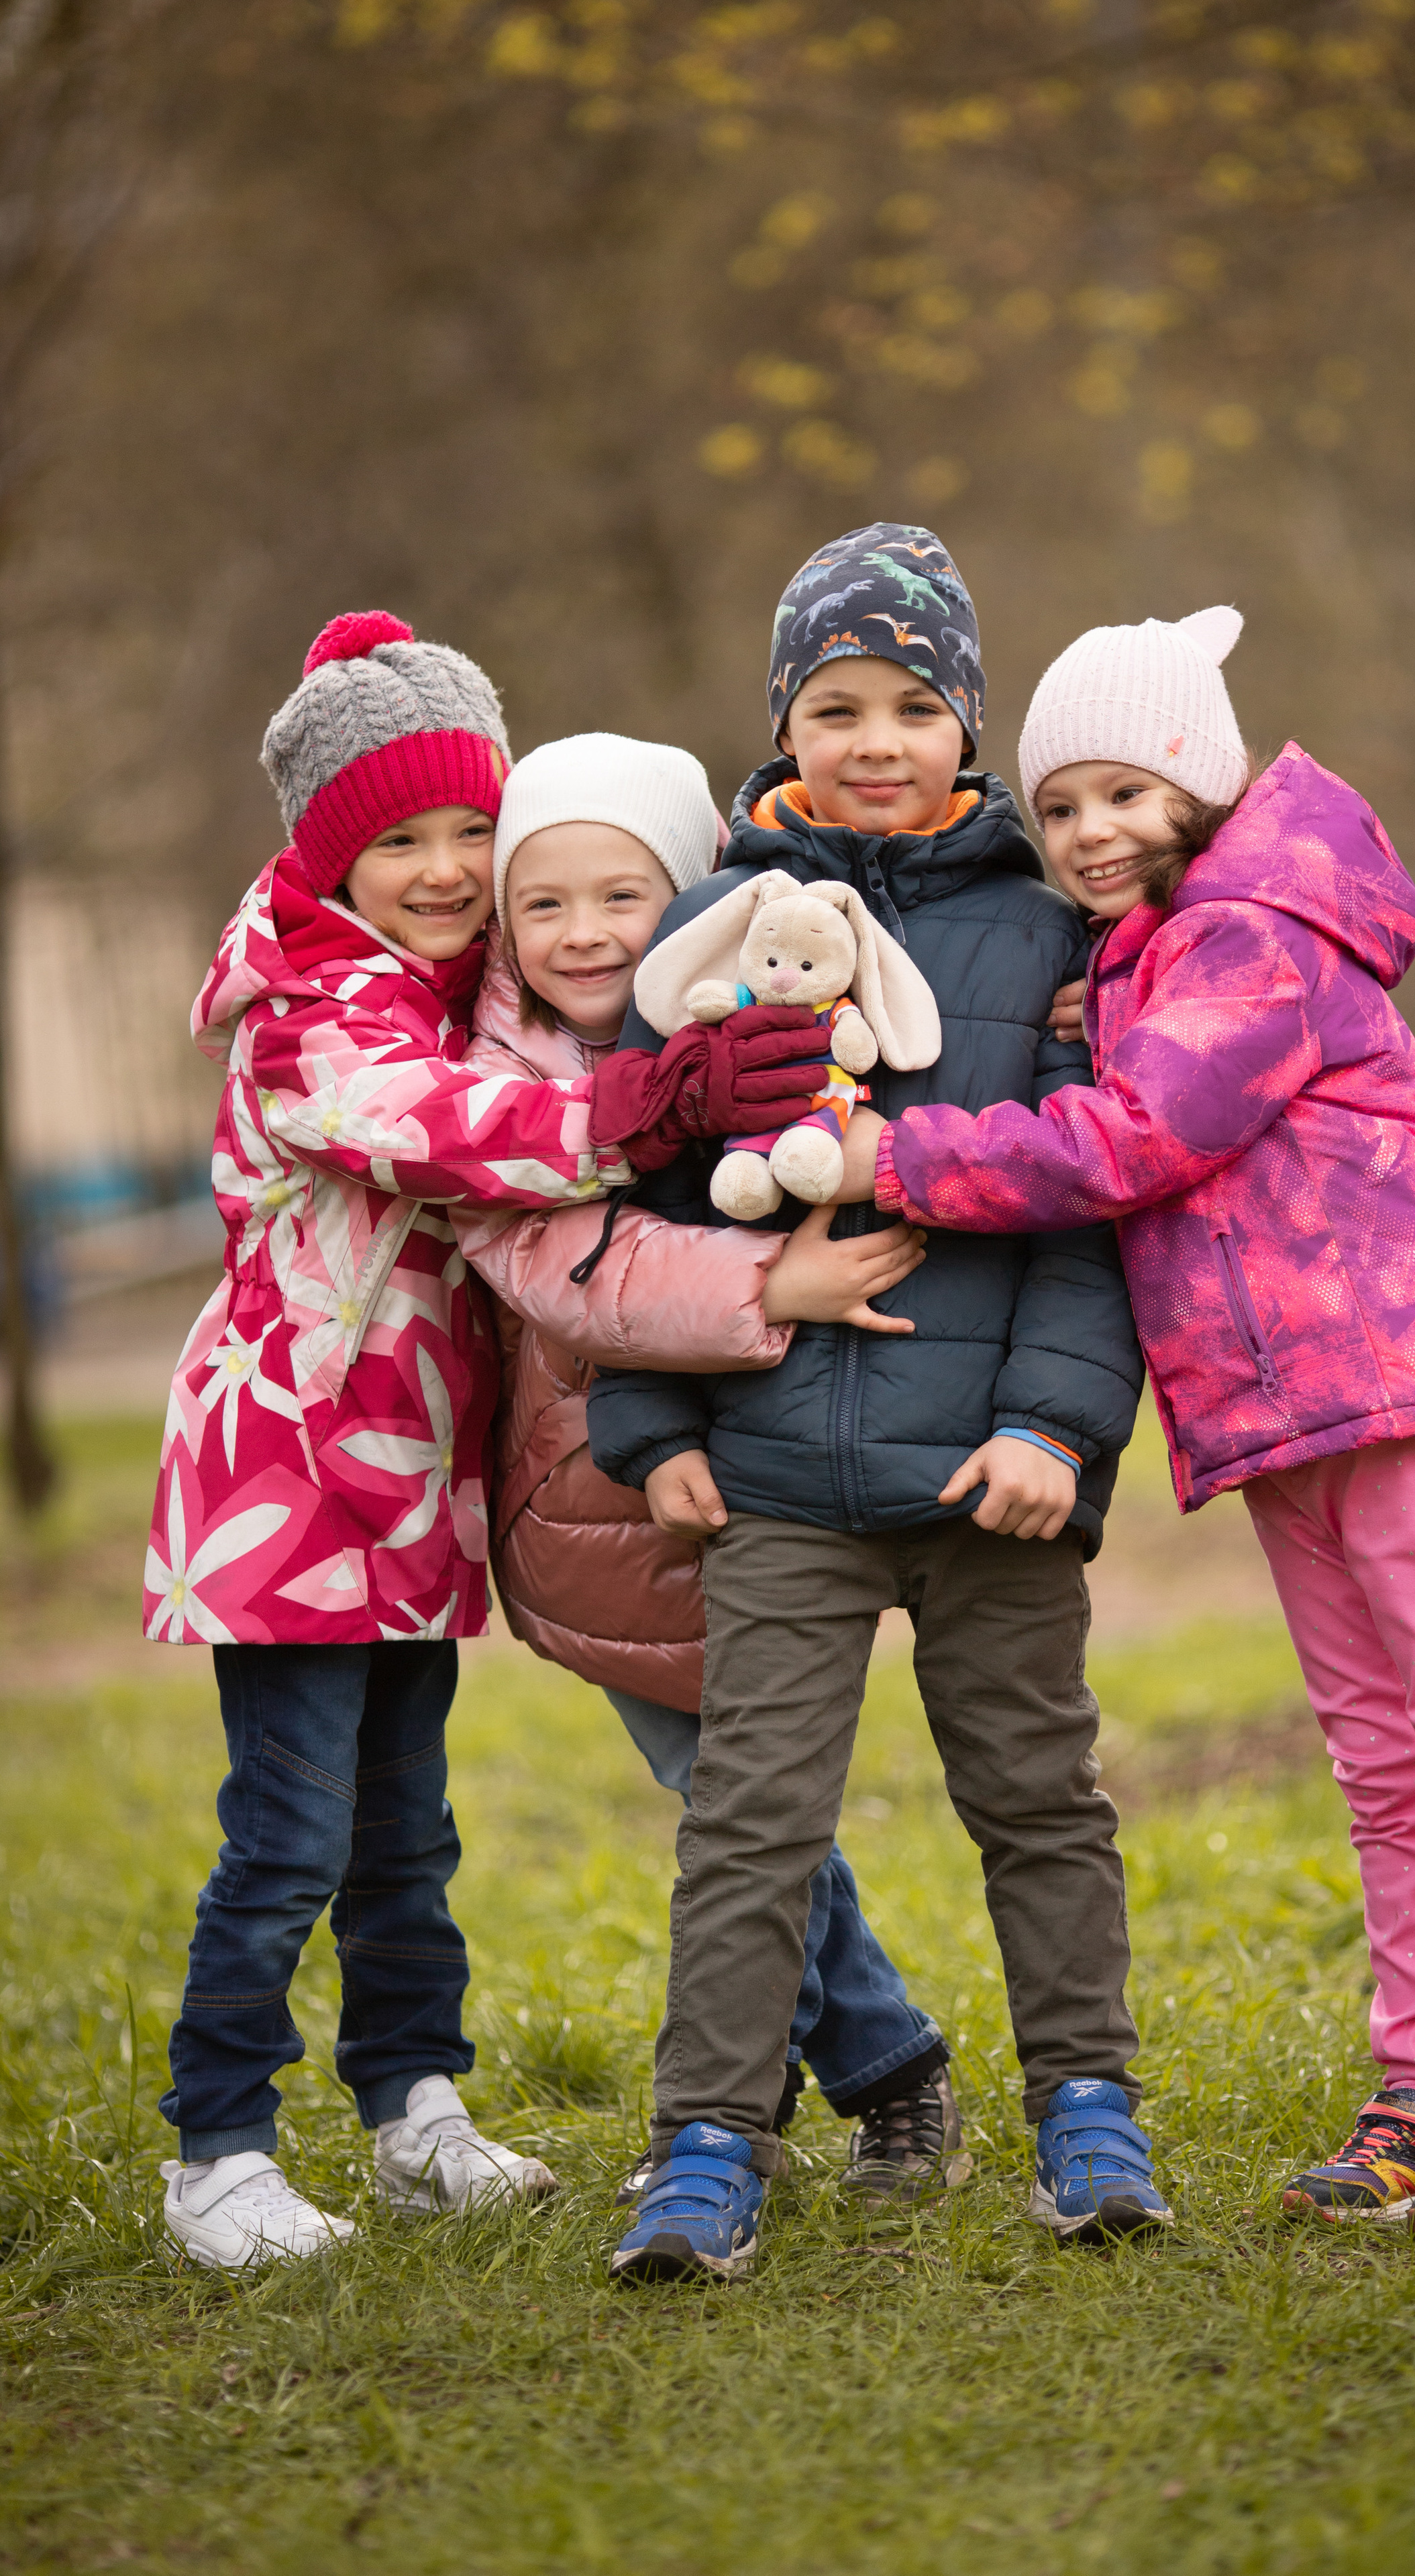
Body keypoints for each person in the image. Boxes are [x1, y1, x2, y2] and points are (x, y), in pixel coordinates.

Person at [850, 604, 1415, 2247]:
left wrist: (897, 1160)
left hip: (1394, 1384)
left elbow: (1136, 1136)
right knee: (1381, 1764)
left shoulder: (1255, 934)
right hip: (1282, 1411)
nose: (1087, 833)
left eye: (1123, 794)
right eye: (1059, 805)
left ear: (1201, 785)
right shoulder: (1161, 950)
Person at [146, 613, 821, 2270]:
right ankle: (218, 2151)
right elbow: (439, 1131)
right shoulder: (313, 1010)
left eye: (470, 829)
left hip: (406, 1482)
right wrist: (642, 1108)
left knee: (406, 1824)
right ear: (330, 857)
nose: (447, 869)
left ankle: (412, 2109)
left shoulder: (451, 989)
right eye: (400, 842)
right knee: (287, 1835)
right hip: (289, 1481)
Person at [586, 523, 1155, 2285]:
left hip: (992, 1473)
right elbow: (646, 1201)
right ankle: (709, 2139)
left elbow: (1088, 1208)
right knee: (749, 1820)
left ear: (968, 722)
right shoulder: (706, 940)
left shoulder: (1049, 935)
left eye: (914, 704)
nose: (877, 740)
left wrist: (1053, 1429)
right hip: (773, 1475)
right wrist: (654, 1432)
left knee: (1038, 1797)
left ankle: (1087, 2105)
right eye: (835, 707)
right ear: (784, 725)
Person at [452, 731, 961, 2198]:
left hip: (758, 1461)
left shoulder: (771, 1020)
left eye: (623, 895)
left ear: (689, 900)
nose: (584, 932)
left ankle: (808, 2086)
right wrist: (767, 1286)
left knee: (739, 1798)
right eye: (543, 904)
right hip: (594, 1491)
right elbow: (552, 1262)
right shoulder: (502, 1076)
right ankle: (858, 2072)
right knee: (729, 1798)